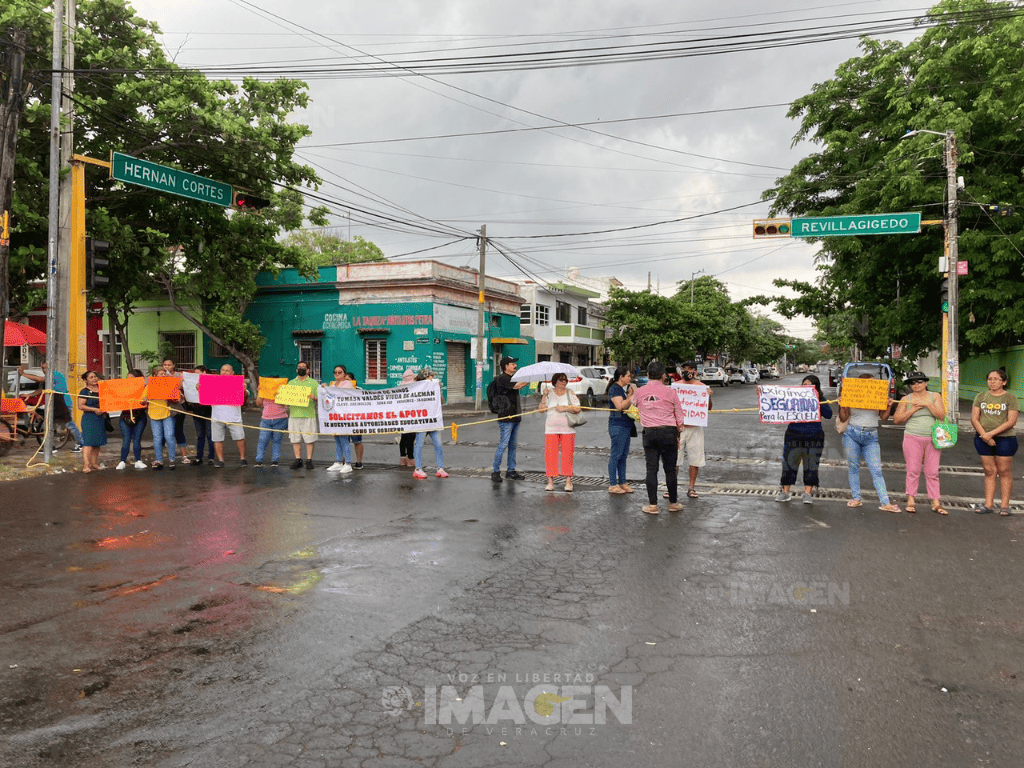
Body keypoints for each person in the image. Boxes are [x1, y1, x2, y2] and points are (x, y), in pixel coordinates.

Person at [839, 373, 899, 512]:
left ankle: (885, 502)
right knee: (853, 467)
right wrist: (842, 406)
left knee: (876, 469)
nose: (870, 386)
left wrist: (888, 406)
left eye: (873, 383)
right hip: (851, 434)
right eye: (867, 383)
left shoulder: (878, 396)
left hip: (871, 436)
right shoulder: (851, 395)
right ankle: (856, 498)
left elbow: (884, 417)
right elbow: (843, 418)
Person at [633, 361, 685, 515]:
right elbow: (679, 417)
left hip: (649, 433)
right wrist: (678, 433)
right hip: (669, 432)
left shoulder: (640, 392)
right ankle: (673, 503)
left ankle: (653, 505)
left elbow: (634, 404)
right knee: (670, 469)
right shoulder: (671, 393)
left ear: (648, 375)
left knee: (651, 469)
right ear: (664, 376)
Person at [892, 372, 947, 514]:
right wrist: (913, 410)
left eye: (919, 381)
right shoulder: (906, 399)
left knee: (932, 471)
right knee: (913, 470)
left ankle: (936, 501)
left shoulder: (934, 396)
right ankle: (911, 499)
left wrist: (928, 405)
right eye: (913, 382)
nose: (916, 385)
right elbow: (897, 420)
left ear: (926, 383)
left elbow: (941, 415)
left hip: (933, 438)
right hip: (912, 437)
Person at [775, 374, 833, 504]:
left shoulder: (821, 398)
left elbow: (829, 414)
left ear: (816, 387)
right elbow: (776, 402)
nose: (806, 387)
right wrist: (762, 394)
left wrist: (817, 398)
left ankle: (807, 493)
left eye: (809, 385)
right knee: (789, 463)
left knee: (811, 465)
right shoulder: (793, 397)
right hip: (793, 434)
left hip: (814, 436)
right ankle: (785, 492)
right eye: (804, 384)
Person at [970, 369, 1019, 515]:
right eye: (990, 379)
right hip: (982, 437)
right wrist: (984, 435)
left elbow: (1011, 421)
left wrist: (990, 434)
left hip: (1005, 439)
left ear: (1004, 382)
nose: (992, 382)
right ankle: (988, 504)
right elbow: (974, 418)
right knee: (989, 471)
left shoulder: (1010, 398)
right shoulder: (981, 396)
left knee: (1004, 471)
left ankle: (1005, 506)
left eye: (996, 379)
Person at [17, 362, 83, 452]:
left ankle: (81, 443)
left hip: (63, 403)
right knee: (48, 425)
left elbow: (40, 379)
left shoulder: (55, 374)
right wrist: (29, 395)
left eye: (46, 368)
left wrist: (24, 374)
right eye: (42, 368)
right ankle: (50, 447)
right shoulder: (47, 379)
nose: (44, 370)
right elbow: (41, 390)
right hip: (54, 405)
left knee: (69, 424)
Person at [538, 371, 582, 492]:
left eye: (565, 380)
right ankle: (550, 481)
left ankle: (568, 481)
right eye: (561, 380)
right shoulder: (549, 393)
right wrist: (543, 396)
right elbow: (541, 410)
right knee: (550, 454)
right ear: (555, 381)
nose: (564, 382)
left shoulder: (570, 392)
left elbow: (578, 408)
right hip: (551, 429)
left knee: (568, 454)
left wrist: (565, 408)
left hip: (567, 429)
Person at [676, 361, 711, 499]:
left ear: (695, 372)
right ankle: (671, 486)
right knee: (674, 460)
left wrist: (709, 396)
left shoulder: (701, 387)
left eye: (689, 369)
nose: (686, 371)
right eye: (684, 368)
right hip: (678, 428)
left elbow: (708, 408)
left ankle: (691, 487)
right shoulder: (676, 386)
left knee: (695, 459)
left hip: (695, 428)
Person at [491, 356, 528, 483]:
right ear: (506, 366)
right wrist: (529, 379)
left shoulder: (512, 378)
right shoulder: (502, 379)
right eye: (512, 363)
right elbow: (517, 386)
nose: (515, 365)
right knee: (503, 444)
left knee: (512, 446)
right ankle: (495, 471)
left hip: (515, 416)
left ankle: (511, 471)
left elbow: (519, 385)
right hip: (506, 417)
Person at [412, 368, 449, 479]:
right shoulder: (416, 389)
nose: (433, 378)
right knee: (419, 443)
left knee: (438, 444)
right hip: (422, 421)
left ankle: (440, 468)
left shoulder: (435, 387)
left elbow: (442, 401)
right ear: (425, 378)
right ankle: (417, 468)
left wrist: (439, 391)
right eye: (430, 376)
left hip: (433, 420)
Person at [210, 363, 247, 467]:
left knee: (240, 438)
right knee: (217, 439)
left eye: (227, 370)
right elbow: (204, 397)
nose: (224, 372)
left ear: (232, 373)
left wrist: (243, 390)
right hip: (217, 416)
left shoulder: (238, 383)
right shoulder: (213, 382)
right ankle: (221, 460)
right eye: (223, 370)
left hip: (234, 417)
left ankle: (243, 458)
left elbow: (245, 400)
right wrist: (200, 388)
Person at [607, 366, 636, 494]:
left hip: (626, 425)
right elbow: (619, 406)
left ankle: (622, 482)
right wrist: (631, 397)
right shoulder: (614, 389)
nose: (630, 378)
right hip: (617, 425)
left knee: (623, 456)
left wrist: (629, 395)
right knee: (616, 455)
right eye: (628, 376)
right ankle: (613, 483)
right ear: (621, 377)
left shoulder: (621, 390)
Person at [287, 361, 320, 470]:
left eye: (303, 367)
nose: (301, 368)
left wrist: (314, 398)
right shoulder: (291, 383)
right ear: (296, 370)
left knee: (309, 439)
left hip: (309, 414)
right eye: (299, 367)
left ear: (308, 370)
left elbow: (321, 398)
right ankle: (298, 460)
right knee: (295, 439)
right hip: (294, 414)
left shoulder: (314, 383)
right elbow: (286, 398)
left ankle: (309, 460)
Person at [116, 369, 148, 470]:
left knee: (137, 440)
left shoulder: (144, 389)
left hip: (140, 416)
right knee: (126, 440)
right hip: (125, 416)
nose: (129, 380)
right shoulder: (122, 389)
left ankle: (138, 460)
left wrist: (145, 401)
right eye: (127, 378)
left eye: (132, 378)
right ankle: (122, 461)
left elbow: (148, 404)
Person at [253, 374, 288, 468]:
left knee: (277, 440)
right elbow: (258, 403)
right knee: (263, 440)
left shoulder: (283, 390)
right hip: (266, 419)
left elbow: (285, 403)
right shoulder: (263, 390)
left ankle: (275, 461)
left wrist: (278, 395)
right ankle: (259, 460)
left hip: (280, 419)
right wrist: (260, 391)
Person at [161, 358, 191, 464]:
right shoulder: (160, 376)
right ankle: (160, 457)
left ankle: (184, 455)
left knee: (178, 430)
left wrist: (173, 381)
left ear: (174, 365)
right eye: (165, 365)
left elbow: (183, 386)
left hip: (178, 406)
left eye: (169, 365)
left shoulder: (180, 375)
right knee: (164, 432)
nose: (167, 367)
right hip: (165, 406)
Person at [325, 364, 354, 473]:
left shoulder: (347, 384)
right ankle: (338, 461)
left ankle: (348, 463)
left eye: (340, 372)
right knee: (337, 439)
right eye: (335, 372)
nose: (337, 374)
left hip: (344, 416)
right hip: (334, 417)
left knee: (344, 439)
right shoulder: (332, 385)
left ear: (344, 374)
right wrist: (324, 388)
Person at [148, 366, 177, 470]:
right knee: (157, 439)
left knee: (169, 436)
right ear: (155, 376)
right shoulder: (149, 386)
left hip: (167, 414)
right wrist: (146, 398)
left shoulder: (170, 384)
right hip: (154, 414)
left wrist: (170, 397)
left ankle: (172, 460)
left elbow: (176, 398)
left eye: (164, 374)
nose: (163, 376)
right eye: (161, 374)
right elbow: (141, 400)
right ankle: (159, 460)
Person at [77, 371, 106, 473]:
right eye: (91, 377)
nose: (94, 379)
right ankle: (86, 465)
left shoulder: (102, 389)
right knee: (88, 442)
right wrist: (94, 410)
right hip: (89, 418)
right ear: (86, 380)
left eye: (95, 377)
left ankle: (94, 463)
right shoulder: (84, 391)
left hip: (100, 418)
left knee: (97, 443)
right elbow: (80, 406)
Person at [190, 366, 214, 466]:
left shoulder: (211, 381)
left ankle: (211, 457)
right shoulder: (192, 382)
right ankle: (199, 457)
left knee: (210, 435)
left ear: (204, 372)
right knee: (200, 436)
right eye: (195, 373)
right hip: (197, 412)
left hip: (208, 412)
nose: (196, 375)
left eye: (198, 373)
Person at [398, 368, 417, 468]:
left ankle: (403, 458)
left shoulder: (400, 389)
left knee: (404, 437)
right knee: (410, 437)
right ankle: (410, 458)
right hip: (411, 415)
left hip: (402, 415)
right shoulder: (413, 388)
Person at [346, 372, 364, 468]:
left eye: (348, 380)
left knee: (357, 441)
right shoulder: (338, 390)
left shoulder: (359, 390)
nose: (346, 382)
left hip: (356, 420)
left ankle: (358, 462)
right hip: (342, 420)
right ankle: (345, 462)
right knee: (344, 441)